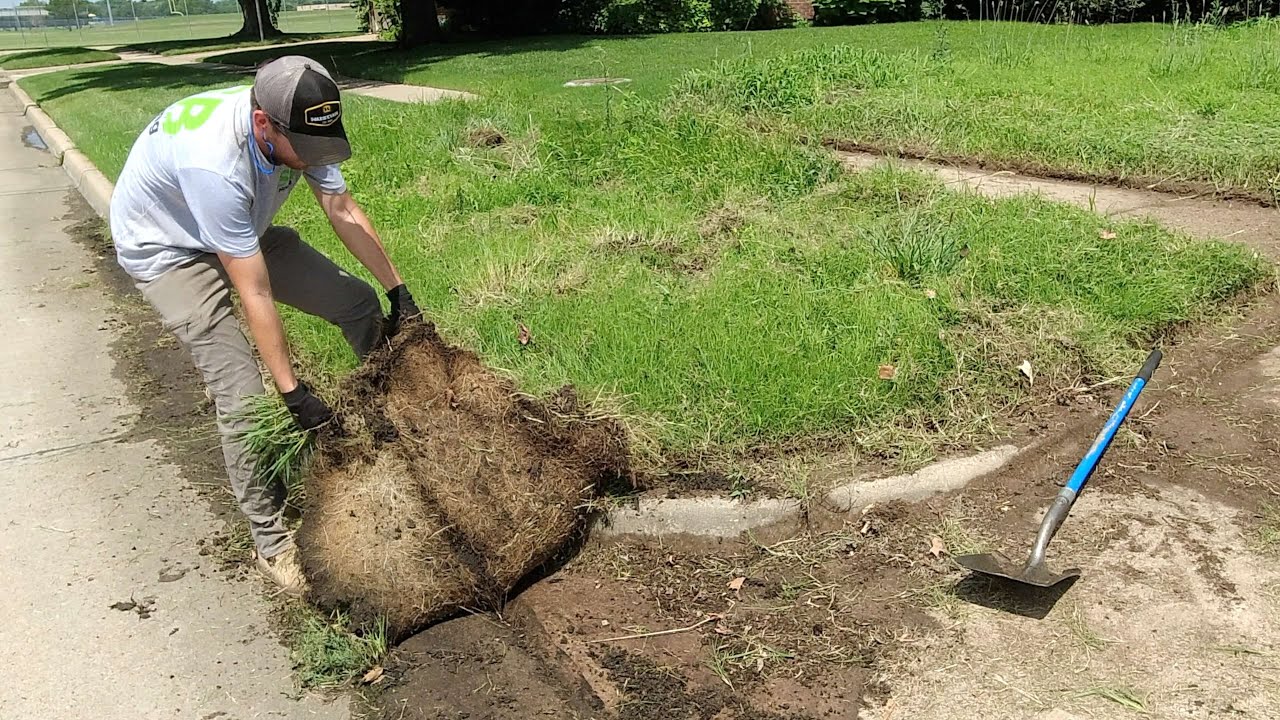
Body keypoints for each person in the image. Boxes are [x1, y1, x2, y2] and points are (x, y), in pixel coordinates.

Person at [108, 55, 421, 596]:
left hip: (238, 230)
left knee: (356, 302)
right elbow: (254, 290)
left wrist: (401, 293)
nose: (315, 161)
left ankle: (394, 425)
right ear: (262, 126)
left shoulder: (297, 119)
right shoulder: (215, 163)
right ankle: (271, 542)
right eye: (307, 151)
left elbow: (341, 207)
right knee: (244, 394)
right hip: (167, 249)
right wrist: (294, 393)